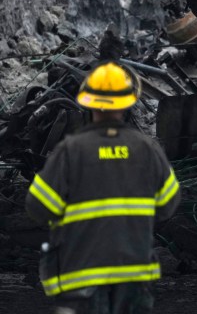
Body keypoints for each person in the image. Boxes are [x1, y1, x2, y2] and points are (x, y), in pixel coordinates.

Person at [26, 61, 180, 314]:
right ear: (128, 103)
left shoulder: (70, 150)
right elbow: (168, 205)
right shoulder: (147, 149)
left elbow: (37, 207)